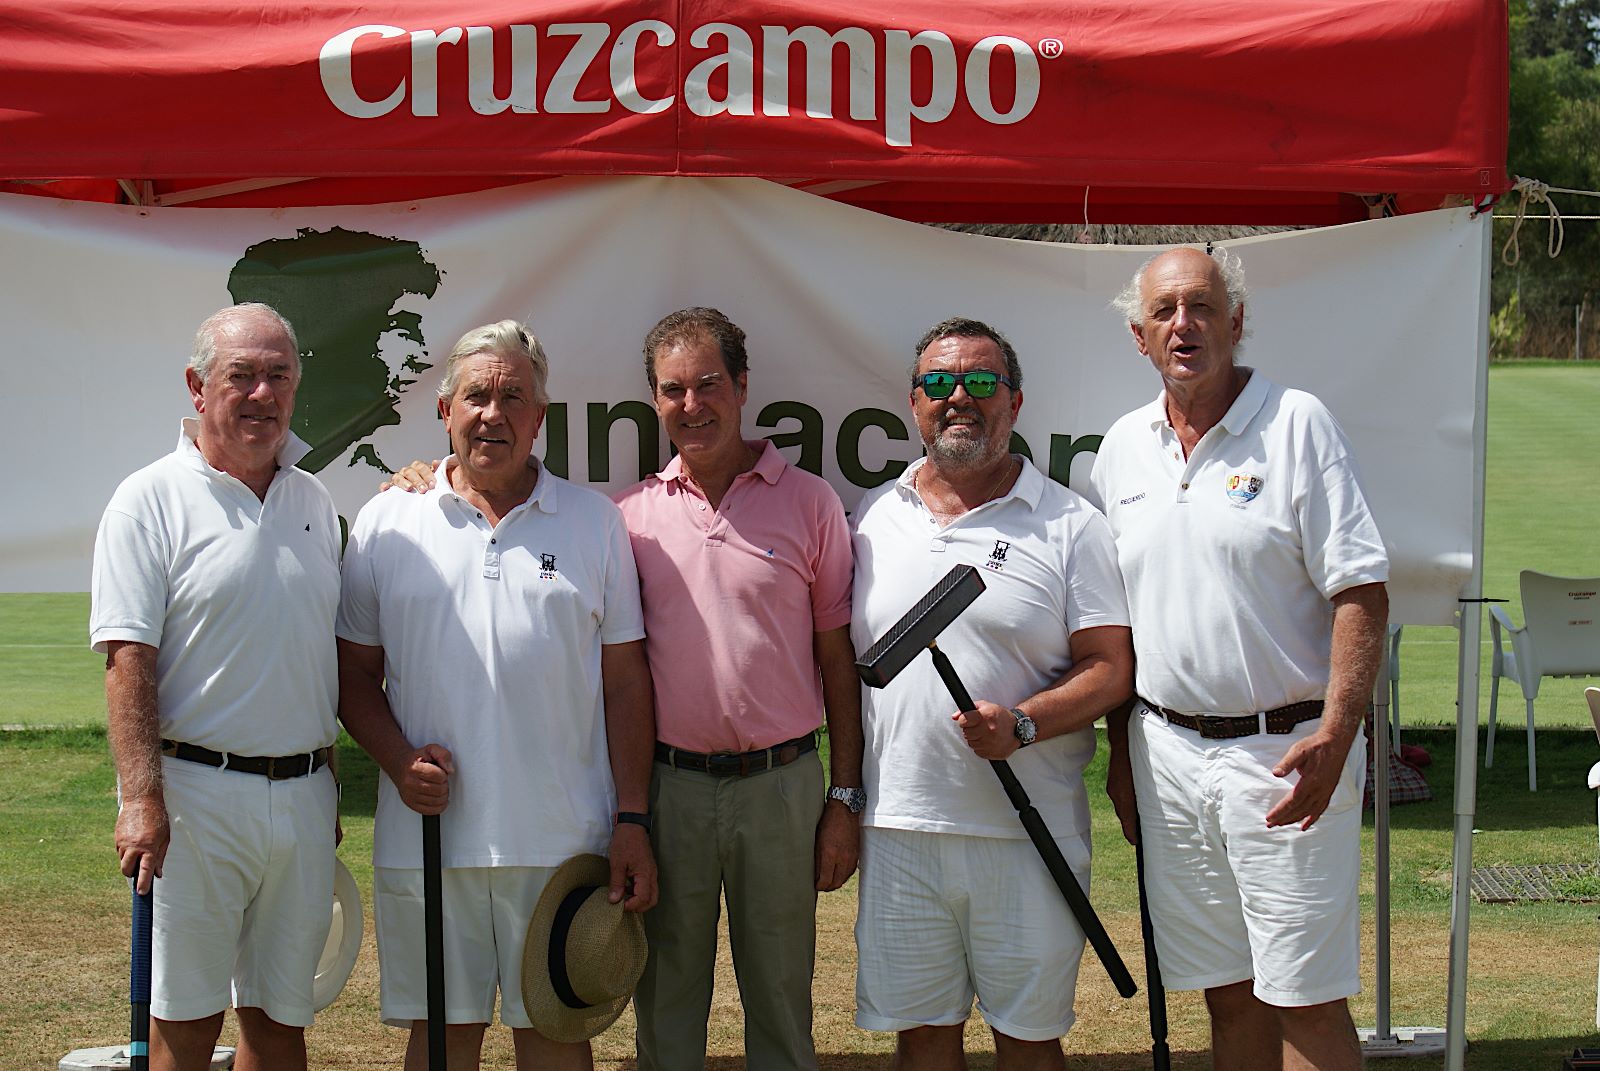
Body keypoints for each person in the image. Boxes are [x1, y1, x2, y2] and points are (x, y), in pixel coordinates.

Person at [1089, 246, 1389, 1071]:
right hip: (1169, 757)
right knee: (1226, 991)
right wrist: (1121, 754)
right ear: (1139, 337)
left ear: (1237, 321)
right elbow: (1119, 624)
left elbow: (1361, 590)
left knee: (1305, 997)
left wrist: (1337, 732)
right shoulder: (1120, 449)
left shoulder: (1298, 424)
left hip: (1286, 754)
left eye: (1202, 306)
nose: (1184, 324)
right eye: (1165, 312)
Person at [335, 320, 656, 1071]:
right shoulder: (388, 520)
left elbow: (626, 684)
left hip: (561, 841)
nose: (493, 412)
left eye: (514, 396)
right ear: (444, 409)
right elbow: (352, 677)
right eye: (476, 394)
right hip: (429, 842)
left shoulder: (594, 523)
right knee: (441, 1045)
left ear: (540, 417)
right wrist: (397, 761)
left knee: (555, 1039)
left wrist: (632, 816)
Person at [849, 317, 1134, 1071]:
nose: (959, 399)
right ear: (914, 403)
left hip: (1027, 833)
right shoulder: (872, 518)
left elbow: (1112, 667)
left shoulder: (1072, 525)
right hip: (901, 828)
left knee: (1029, 1041)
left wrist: (1025, 723)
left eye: (981, 382)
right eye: (939, 383)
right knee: (923, 1041)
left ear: (1014, 400)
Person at [90, 302, 341, 1071]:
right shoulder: (149, 498)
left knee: (279, 1022)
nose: (261, 394)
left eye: (278, 376)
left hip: (301, 799)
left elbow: (316, 653)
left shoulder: (314, 501)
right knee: (187, 1023)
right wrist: (140, 797)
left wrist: (324, 782)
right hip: (194, 799)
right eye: (242, 376)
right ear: (198, 387)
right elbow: (127, 657)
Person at [615, 308, 862, 1071]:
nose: (693, 405)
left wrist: (844, 798)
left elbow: (837, 661)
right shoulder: (629, 518)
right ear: (655, 402)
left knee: (783, 999)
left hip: (782, 787)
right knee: (666, 1001)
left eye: (709, 384)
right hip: (671, 789)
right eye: (673, 390)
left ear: (743, 385)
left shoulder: (811, 502)